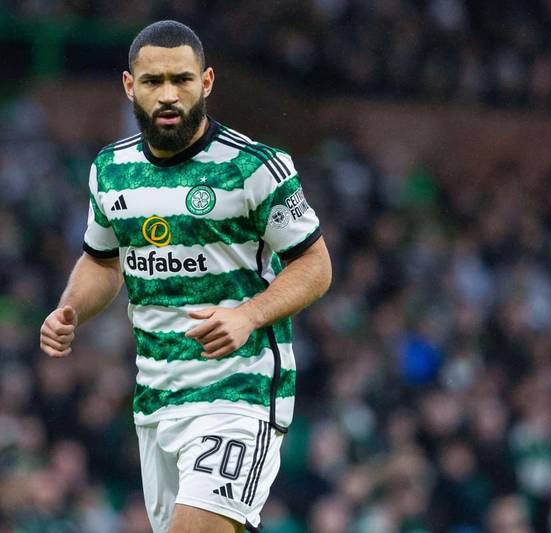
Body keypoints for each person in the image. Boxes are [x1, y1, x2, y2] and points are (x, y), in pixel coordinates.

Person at [39, 20, 332, 533]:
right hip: (156, 399)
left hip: (238, 392)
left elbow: (315, 264)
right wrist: (70, 310)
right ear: (130, 85)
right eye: (153, 81)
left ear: (207, 82)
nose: (169, 94)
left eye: (182, 79)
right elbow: (103, 260)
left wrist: (249, 315)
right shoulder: (111, 169)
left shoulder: (253, 167)